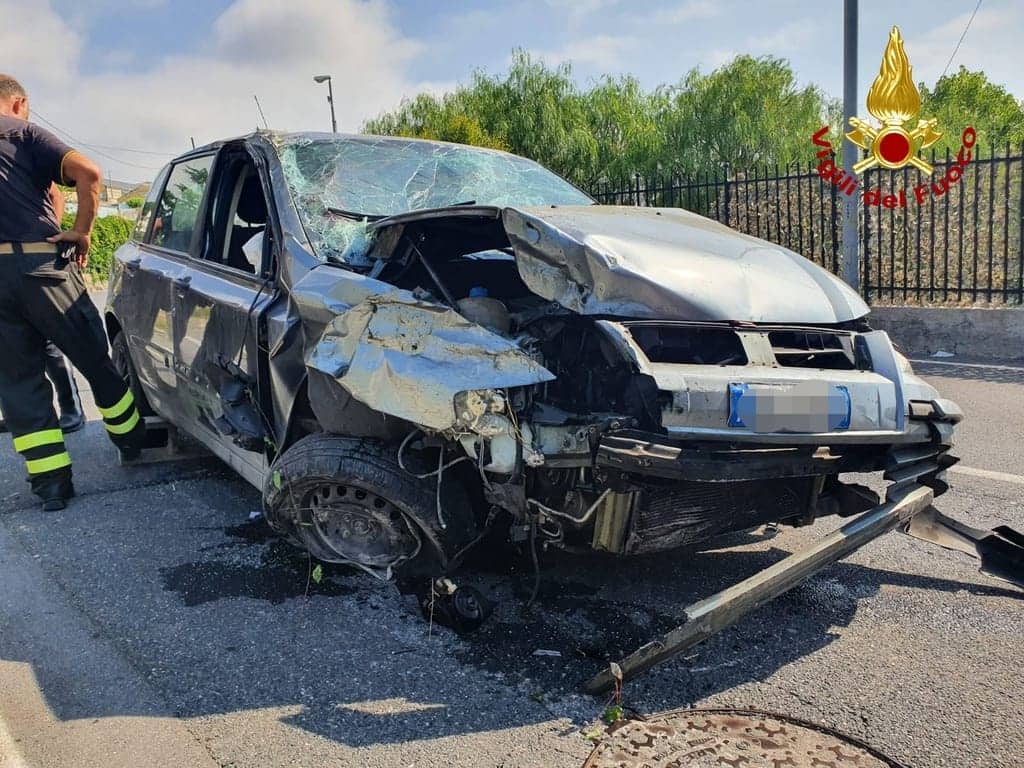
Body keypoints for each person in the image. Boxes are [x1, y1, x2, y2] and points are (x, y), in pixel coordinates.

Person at [0, 74, 145, 510]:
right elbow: (89, 173)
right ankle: (132, 439)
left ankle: (51, 487)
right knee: (93, 358)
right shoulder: (21, 132)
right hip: (42, 267)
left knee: (18, 382)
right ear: (19, 103)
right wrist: (81, 232)